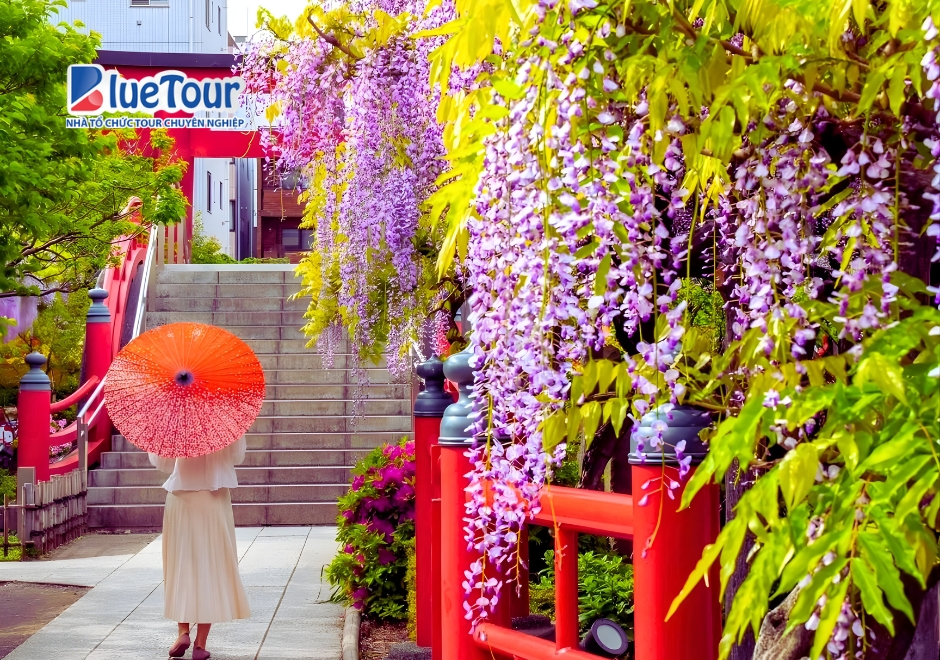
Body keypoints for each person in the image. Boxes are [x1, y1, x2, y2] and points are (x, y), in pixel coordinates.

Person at [150, 436, 251, 660]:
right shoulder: (225, 420)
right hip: (213, 497)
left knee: (181, 564)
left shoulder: (176, 419)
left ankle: (183, 632)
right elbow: (237, 455)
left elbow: (161, 461)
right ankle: (200, 644)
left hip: (180, 496)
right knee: (211, 566)